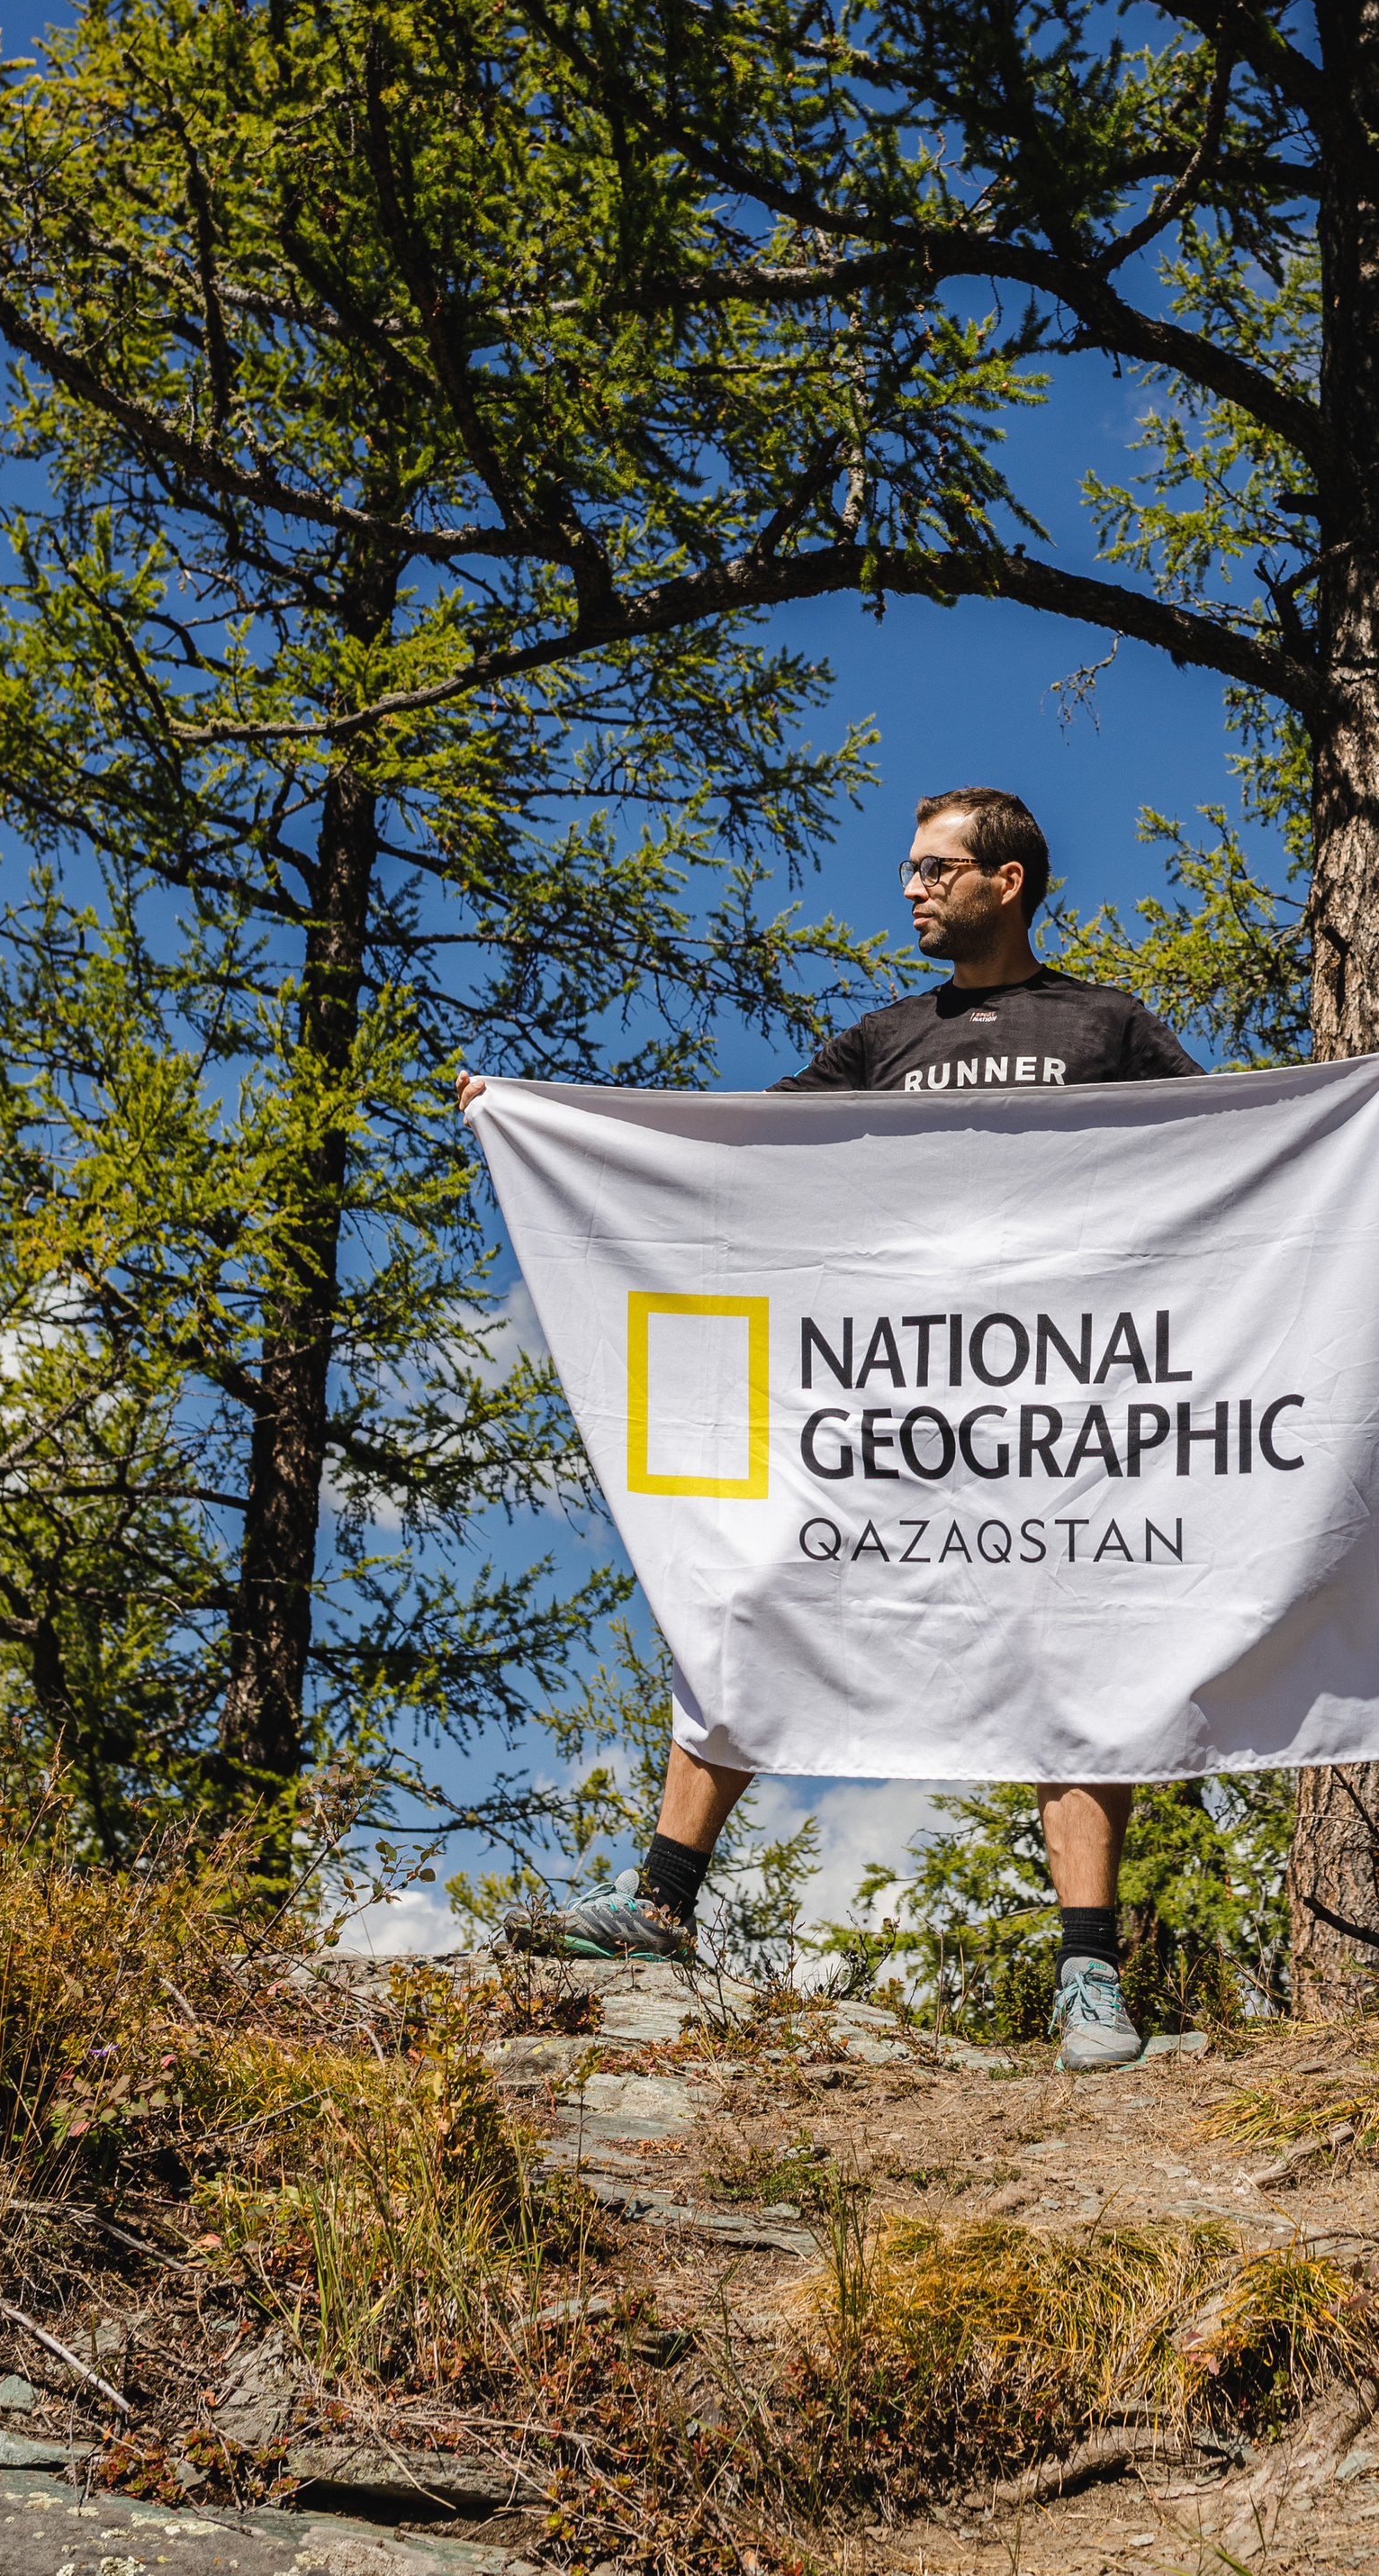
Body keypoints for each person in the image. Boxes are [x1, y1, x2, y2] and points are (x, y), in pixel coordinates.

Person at [458, 783, 1200, 2072]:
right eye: (910, 870)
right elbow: (737, 1152)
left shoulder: (1106, 1025)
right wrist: (553, 1123)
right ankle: (659, 1906)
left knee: (1074, 1650)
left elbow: (1233, 1149)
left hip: (1054, 1400)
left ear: (1006, 883)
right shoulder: (883, 1038)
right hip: (886, 1397)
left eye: (935, 869)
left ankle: (1088, 1976)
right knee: (756, 1589)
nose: (911, 888)